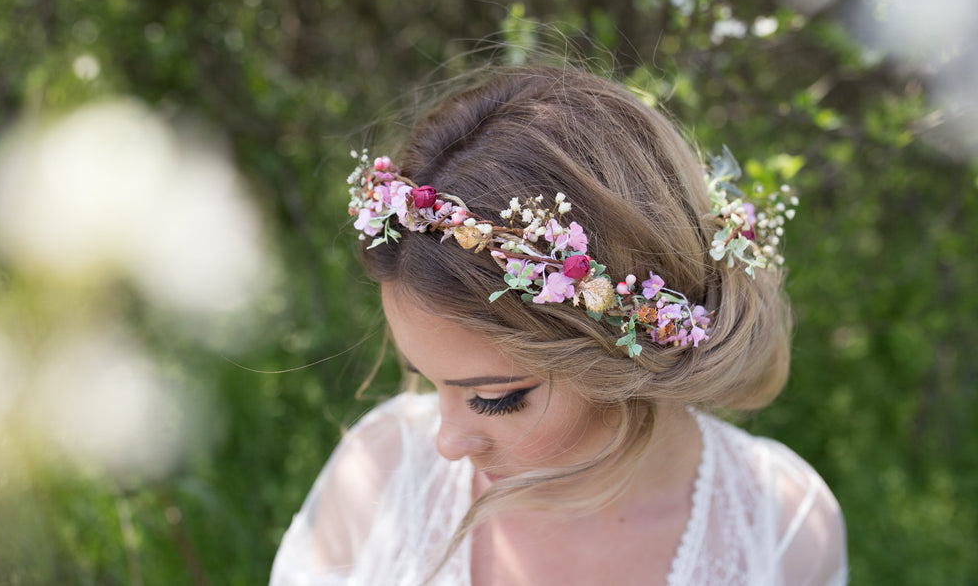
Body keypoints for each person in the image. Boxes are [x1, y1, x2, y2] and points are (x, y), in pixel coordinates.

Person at [270, 65, 848, 586]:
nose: (446, 443)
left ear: (628, 355)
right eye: (427, 379)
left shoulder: (782, 531)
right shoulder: (379, 479)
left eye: (495, 398)